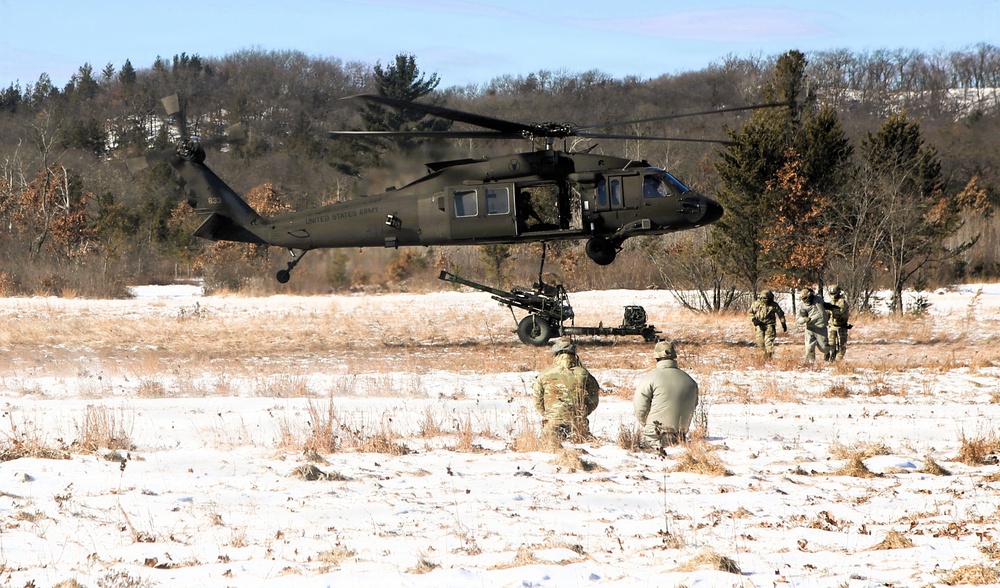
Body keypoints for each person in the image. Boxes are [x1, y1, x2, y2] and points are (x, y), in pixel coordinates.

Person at [632, 341, 699, 449]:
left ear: (656, 357)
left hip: (655, 437)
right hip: (681, 437)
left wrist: (647, 424)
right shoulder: (690, 381)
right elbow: (694, 405)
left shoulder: (650, 378)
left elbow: (640, 406)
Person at [532, 337, 600, 441]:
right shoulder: (583, 373)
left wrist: (549, 415)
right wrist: (583, 413)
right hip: (578, 425)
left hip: (552, 425)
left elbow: (537, 400)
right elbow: (594, 396)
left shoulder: (545, 374)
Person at [795, 287, 831, 363]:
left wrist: (830, 308)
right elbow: (798, 319)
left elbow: (823, 305)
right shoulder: (802, 306)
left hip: (821, 327)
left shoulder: (818, 299)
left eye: (806, 298)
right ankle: (810, 362)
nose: (805, 300)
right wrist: (804, 319)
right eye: (803, 298)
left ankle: (829, 353)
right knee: (809, 346)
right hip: (810, 328)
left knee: (824, 347)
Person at [748, 289, 787, 358]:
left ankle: (769, 356)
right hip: (759, 325)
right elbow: (750, 312)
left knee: (769, 341)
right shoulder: (756, 304)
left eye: (768, 298)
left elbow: (781, 314)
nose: (766, 300)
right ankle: (763, 355)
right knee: (760, 342)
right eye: (764, 298)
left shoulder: (774, 305)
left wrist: (783, 323)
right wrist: (754, 319)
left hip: (770, 325)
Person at [826, 284, 850, 361]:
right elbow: (827, 315)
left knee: (842, 346)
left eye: (834, 293)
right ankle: (831, 360)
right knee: (831, 345)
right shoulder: (831, 302)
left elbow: (839, 313)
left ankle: (838, 361)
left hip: (841, 327)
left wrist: (831, 308)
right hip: (832, 326)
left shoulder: (842, 302)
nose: (833, 295)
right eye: (831, 294)